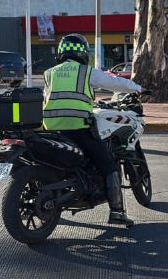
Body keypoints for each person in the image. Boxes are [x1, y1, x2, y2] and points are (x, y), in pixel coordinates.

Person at [42, 34, 142, 225]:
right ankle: (117, 212)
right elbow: (115, 83)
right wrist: (136, 88)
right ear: (82, 53)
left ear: (61, 53)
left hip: (52, 130)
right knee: (108, 165)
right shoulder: (86, 72)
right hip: (79, 129)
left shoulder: (49, 73)